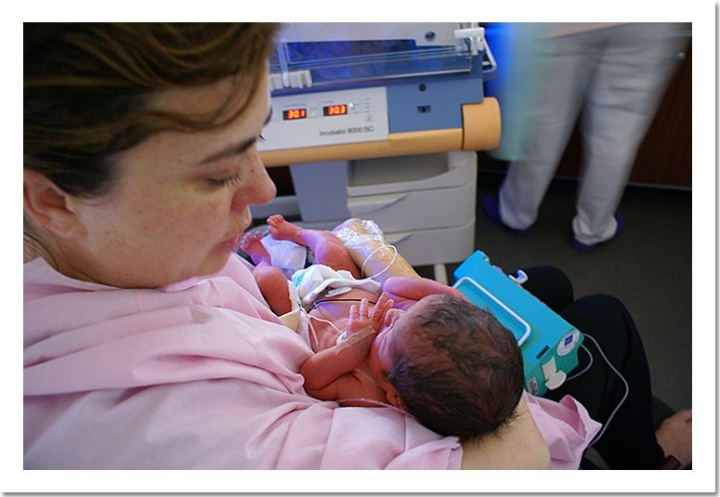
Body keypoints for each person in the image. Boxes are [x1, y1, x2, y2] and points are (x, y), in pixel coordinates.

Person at [22, 23, 689, 472]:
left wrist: (346, 277)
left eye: (255, 141)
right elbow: (506, 456)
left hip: (340, 326)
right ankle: (648, 460)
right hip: (461, 388)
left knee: (546, 279)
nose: (259, 186)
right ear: (52, 199)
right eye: (218, 170)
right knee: (605, 321)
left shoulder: (108, 256)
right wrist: (425, 309)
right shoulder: (201, 439)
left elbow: (274, 303)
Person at [240, 215, 525, 440]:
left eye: (388, 335)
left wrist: (350, 350)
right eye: (403, 317)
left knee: (270, 281)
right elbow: (391, 285)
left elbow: (312, 378)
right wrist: (448, 298)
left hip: (302, 313)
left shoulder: (367, 391)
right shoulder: (413, 339)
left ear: (395, 396)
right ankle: (296, 235)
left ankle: (263, 259)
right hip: (343, 285)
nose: (391, 317)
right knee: (330, 244)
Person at [482, 23, 687, 251]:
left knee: (545, 125)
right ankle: (593, 229)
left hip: (566, 21)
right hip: (648, 23)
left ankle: (516, 213)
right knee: (616, 134)